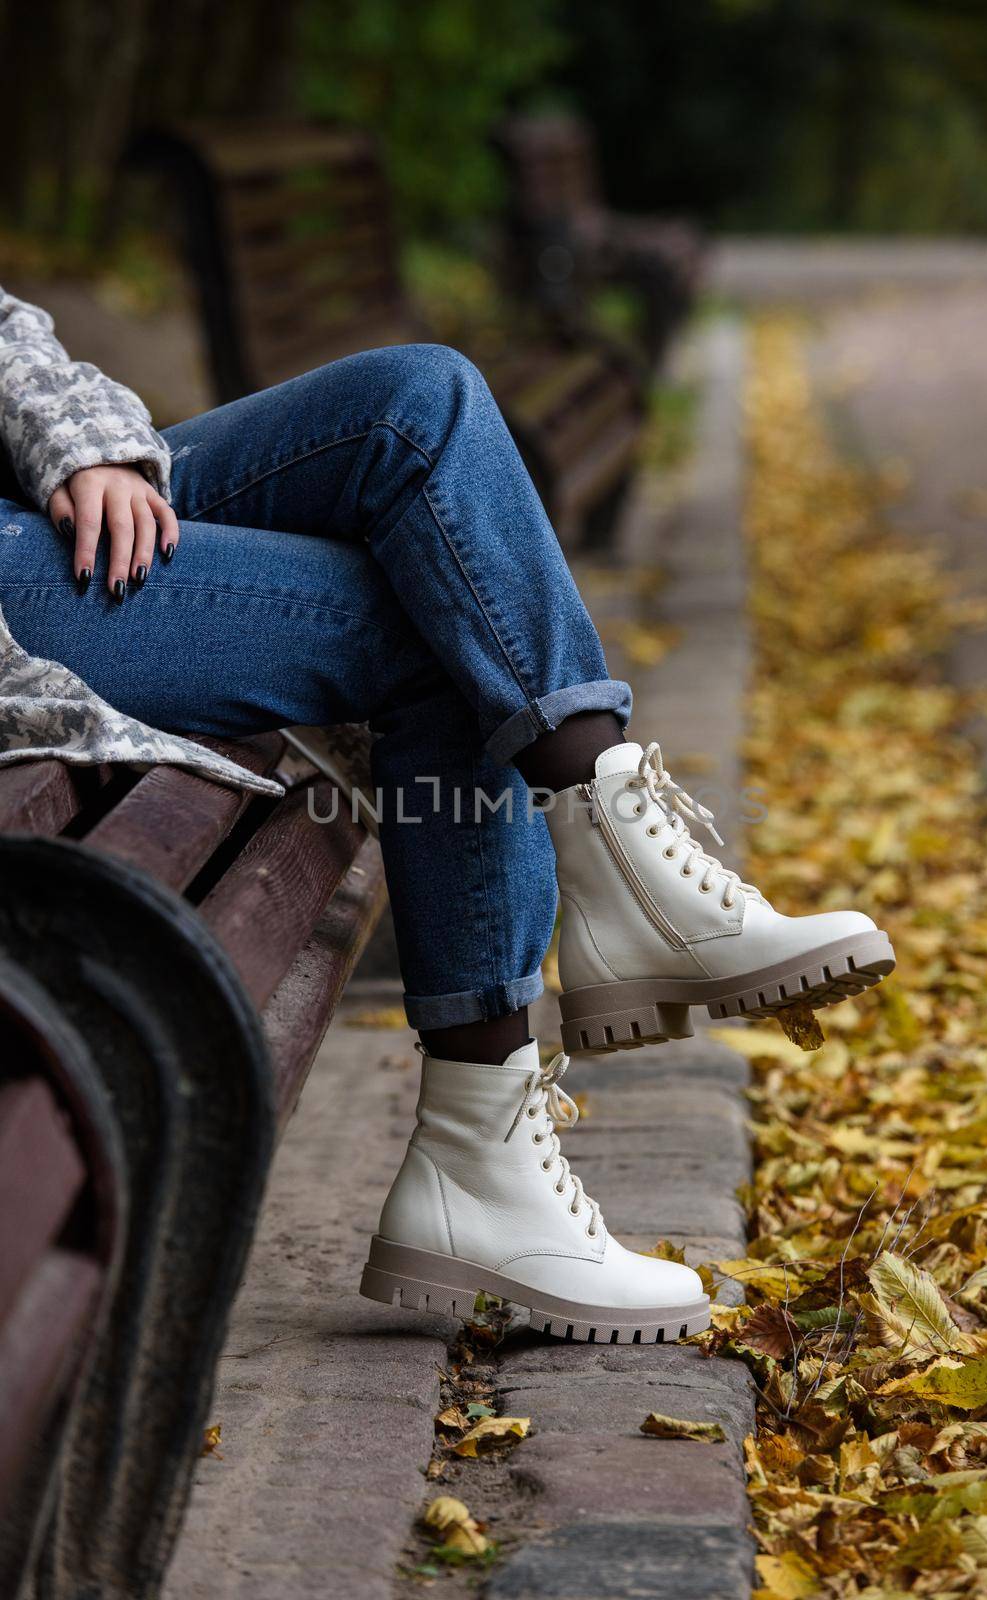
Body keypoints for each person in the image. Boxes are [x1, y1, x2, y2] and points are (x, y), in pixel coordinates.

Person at [0, 287, 895, 1342]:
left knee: (418, 398)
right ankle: (498, 1123)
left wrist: (76, 443)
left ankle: (607, 856)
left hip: (41, 496)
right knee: (441, 611)